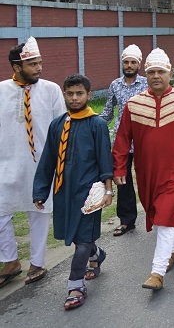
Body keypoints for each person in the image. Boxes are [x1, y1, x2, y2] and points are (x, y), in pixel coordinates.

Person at [112, 48, 174, 291]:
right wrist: (119, 168)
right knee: (156, 214)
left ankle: (157, 272)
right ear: (146, 74)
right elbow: (122, 139)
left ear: (170, 74)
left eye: (160, 72)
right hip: (147, 174)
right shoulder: (134, 104)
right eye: (151, 72)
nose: (156, 76)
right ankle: (171, 252)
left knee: (164, 217)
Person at [33, 74, 113, 310]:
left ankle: (75, 286)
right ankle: (96, 256)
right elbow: (48, 160)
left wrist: (108, 191)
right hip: (64, 192)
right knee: (77, 235)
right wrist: (40, 190)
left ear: (89, 95)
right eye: (70, 94)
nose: (75, 98)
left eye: (80, 93)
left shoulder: (97, 124)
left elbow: (105, 160)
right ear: (64, 95)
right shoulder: (57, 124)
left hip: (90, 192)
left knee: (83, 239)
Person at [0, 38, 66, 288]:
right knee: (1, 211)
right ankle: (10, 261)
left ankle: (37, 262)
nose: (39, 68)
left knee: (38, 211)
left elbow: (62, 127)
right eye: (32, 64)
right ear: (17, 67)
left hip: (41, 163)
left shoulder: (51, 90)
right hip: (6, 162)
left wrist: (60, 161)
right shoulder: (1, 90)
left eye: (39, 63)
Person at [100, 44, 148, 237]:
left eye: (133, 62)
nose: (129, 65)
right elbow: (108, 112)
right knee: (122, 180)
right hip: (122, 141)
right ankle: (127, 221)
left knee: (149, 179)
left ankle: (156, 215)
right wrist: (90, 123)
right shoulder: (115, 85)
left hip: (144, 139)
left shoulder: (147, 83)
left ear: (139, 64)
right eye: (126, 62)